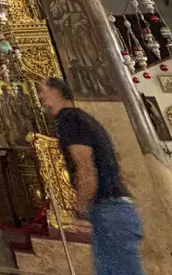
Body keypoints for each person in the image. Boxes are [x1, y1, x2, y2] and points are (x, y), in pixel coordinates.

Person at [38, 77, 140, 275]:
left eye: (43, 90)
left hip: (108, 208)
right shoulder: (84, 118)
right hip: (115, 208)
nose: (40, 96)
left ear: (56, 92)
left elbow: (85, 165)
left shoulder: (69, 119)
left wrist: (81, 210)